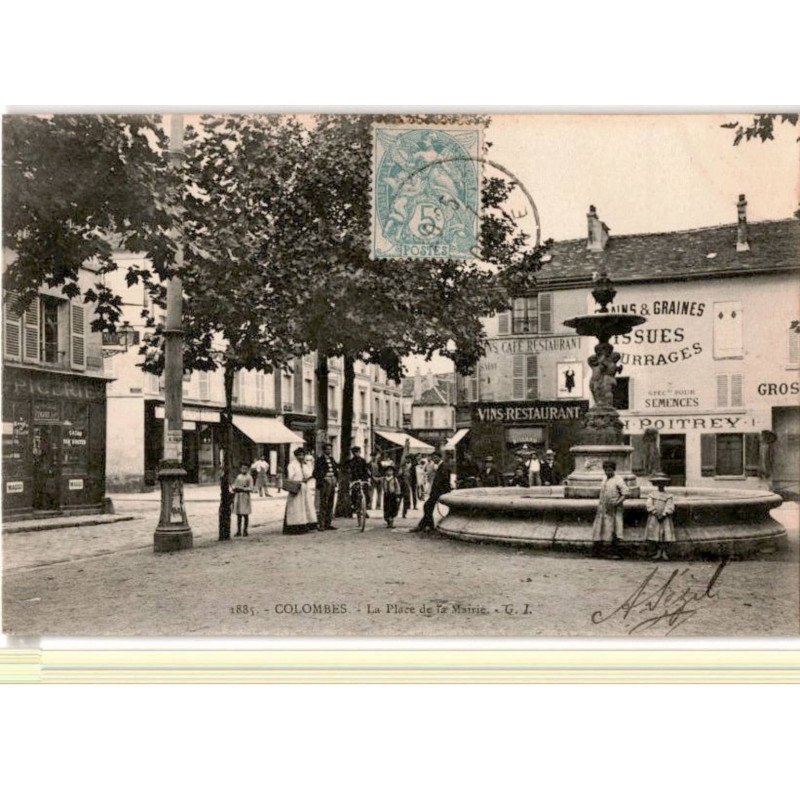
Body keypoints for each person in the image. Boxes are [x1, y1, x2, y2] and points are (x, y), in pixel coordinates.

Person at [591, 460, 629, 558]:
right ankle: (599, 551)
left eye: (610, 470)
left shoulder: (618, 479)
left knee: (613, 529)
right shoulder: (604, 478)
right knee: (600, 528)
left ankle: (614, 551)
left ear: (613, 470)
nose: (608, 472)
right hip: (603, 508)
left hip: (614, 509)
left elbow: (626, 493)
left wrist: (617, 502)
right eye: (606, 470)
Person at [413, 452, 452, 532]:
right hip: (438, 490)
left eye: (435, 458)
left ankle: (424, 526)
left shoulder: (443, 466)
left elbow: (442, 480)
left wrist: (436, 491)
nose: (433, 460)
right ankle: (427, 526)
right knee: (428, 507)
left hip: (440, 491)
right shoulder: (441, 466)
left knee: (427, 506)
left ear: (439, 457)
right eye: (433, 458)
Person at [283, 447, 318, 535]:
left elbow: (309, 474)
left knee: (305, 506)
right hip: (296, 487)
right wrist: (298, 480)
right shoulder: (292, 465)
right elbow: (290, 476)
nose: (301, 457)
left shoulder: (305, 464)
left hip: (304, 487)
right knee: (296, 506)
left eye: (302, 455)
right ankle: (295, 526)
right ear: (296, 456)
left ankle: (305, 524)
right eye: (299, 455)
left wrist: (308, 476)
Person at [645, 475, 676, 560]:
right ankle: (658, 551)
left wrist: (664, 514)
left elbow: (670, 506)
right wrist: (655, 512)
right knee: (656, 534)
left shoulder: (668, 495)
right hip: (655, 517)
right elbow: (649, 504)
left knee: (664, 534)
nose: (660, 485)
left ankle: (664, 552)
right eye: (659, 483)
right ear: (656, 484)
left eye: (662, 483)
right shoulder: (652, 494)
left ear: (665, 484)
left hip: (665, 518)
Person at [313, 442, 339, 531]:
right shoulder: (320, 460)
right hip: (324, 483)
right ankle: (321, 524)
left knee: (330, 503)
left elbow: (335, 470)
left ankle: (328, 523)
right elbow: (315, 473)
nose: (329, 451)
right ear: (324, 450)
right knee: (323, 503)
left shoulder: (332, 459)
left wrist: (335, 477)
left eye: (330, 449)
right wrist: (325, 475)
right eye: (327, 449)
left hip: (332, 482)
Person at [231, 463, 255, 537]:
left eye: (245, 468)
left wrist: (243, 489)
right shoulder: (238, 476)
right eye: (242, 468)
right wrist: (234, 489)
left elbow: (251, 488)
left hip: (245, 497)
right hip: (238, 497)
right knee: (239, 515)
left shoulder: (249, 477)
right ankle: (238, 531)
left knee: (245, 514)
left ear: (247, 469)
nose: (244, 470)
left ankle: (245, 531)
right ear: (240, 469)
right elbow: (235, 485)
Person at [349, 446, 372, 518]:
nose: (357, 453)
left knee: (366, 492)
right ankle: (354, 506)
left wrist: (368, 476)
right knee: (354, 492)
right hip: (355, 479)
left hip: (363, 478)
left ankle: (365, 509)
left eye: (359, 452)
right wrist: (352, 479)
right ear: (353, 453)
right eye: (356, 452)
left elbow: (366, 470)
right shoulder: (351, 462)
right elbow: (351, 471)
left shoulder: (363, 460)